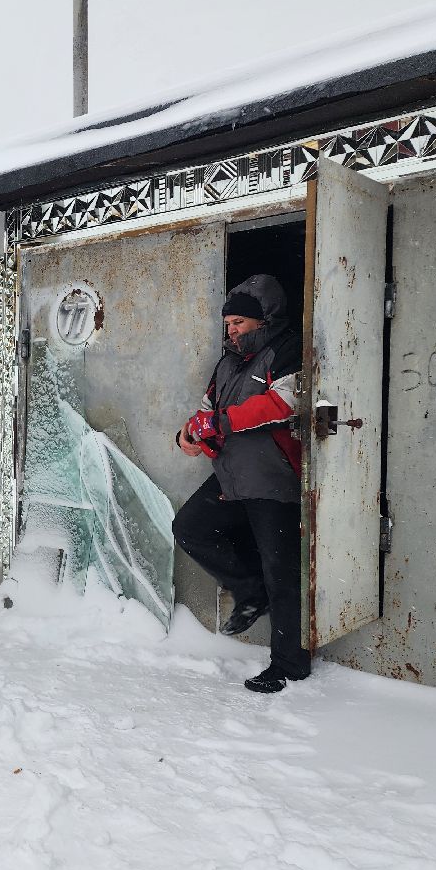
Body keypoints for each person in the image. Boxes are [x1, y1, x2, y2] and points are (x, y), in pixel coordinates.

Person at [171, 274, 310, 694]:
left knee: (281, 572)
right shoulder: (227, 362)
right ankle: (250, 591)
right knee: (190, 528)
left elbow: (284, 402)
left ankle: (289, 665)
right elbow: (205, 409)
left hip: (273, 480)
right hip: (231, 477)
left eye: (239, 323)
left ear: (262, 321)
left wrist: (223, 422)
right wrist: (189, 434)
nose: (231, 330)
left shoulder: (285, 350)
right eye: (228, 323)